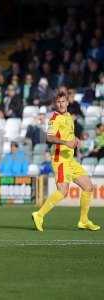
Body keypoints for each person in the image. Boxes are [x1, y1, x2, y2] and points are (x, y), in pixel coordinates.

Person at [32, 92, 100, 231]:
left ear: (67, 102)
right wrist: (65, 142)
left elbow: (69, 135)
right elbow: (49, 137)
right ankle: (39, 214)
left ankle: (83, 220)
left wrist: (76, 140)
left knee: (88, 187)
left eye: (63, 101)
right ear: (55, 104)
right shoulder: (54, 119)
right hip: (60, 159)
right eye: (58, 102)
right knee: (63, 191)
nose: (61, 104)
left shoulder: (69, 117)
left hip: (70, 160)